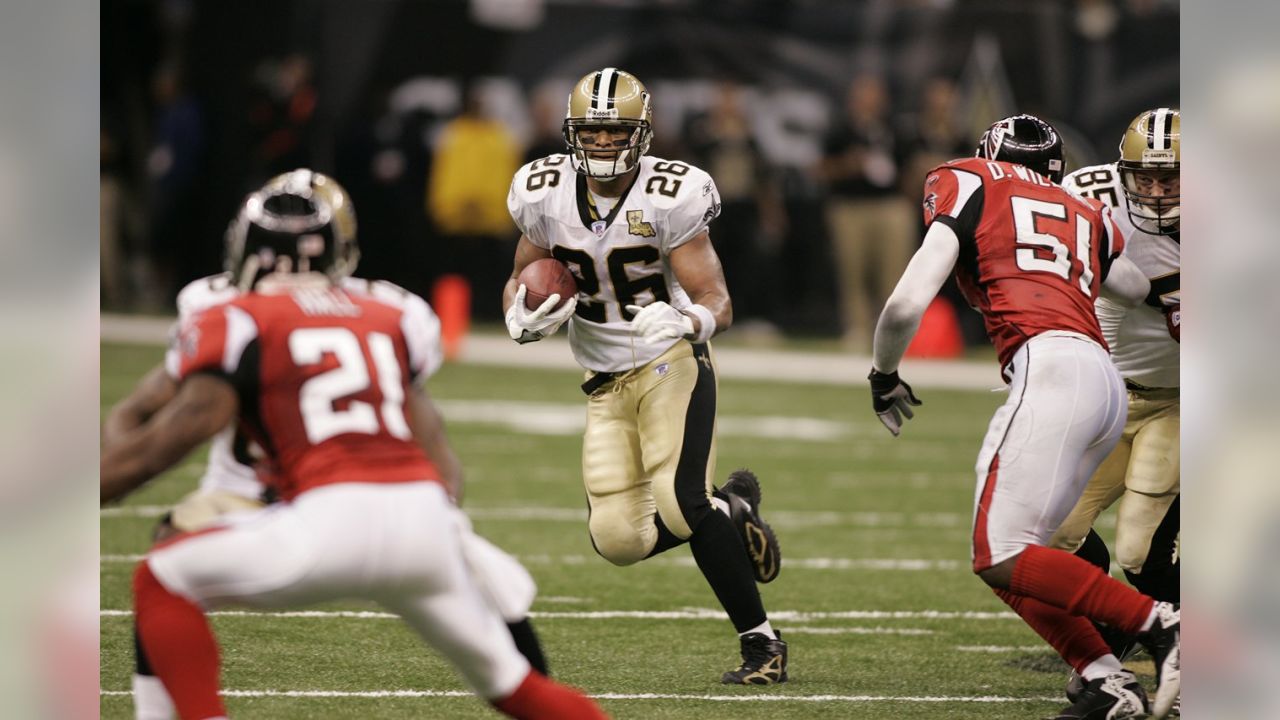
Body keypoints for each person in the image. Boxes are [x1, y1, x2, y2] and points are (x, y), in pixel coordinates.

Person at [101, 171, 607, 720]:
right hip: (407, 511)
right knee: (514, 685)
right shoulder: (390, 313)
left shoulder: (233, 316)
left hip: (320, 511)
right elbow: (434, 444)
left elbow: (169, 438)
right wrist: (441, 521)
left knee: (162, 576)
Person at [866, 114, 1180, 719]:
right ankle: (1104, 679)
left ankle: (1162, 624)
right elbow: (1136, 285)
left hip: (1052, 368)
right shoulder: (1082, 209)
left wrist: (883, 373)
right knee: (1019, 557)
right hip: (1103, 380)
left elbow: (907, 300)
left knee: (999, 552)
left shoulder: (966, 179)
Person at [503, 68, 787, 685]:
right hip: (601, 376)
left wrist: (686, 321)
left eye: (617, 132)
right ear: (573, 133)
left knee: (682, 506)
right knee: (618, 541)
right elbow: (524, 271)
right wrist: (518, 313)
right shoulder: (542, 190)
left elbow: (718, 300)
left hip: (669, 362)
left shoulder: (670, 193)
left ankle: (762, 644)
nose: (604, 144)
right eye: (594, 132)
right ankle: (734, 511)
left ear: (644, 133)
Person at [1050, 108, 1181, 704]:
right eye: (1145, 177)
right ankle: (1117, 628)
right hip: (1104, 396)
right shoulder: (1088, 194)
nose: (1156, 190)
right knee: (1052, 532)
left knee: (1136, 548)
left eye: (1171, 178)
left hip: (1180, 401)